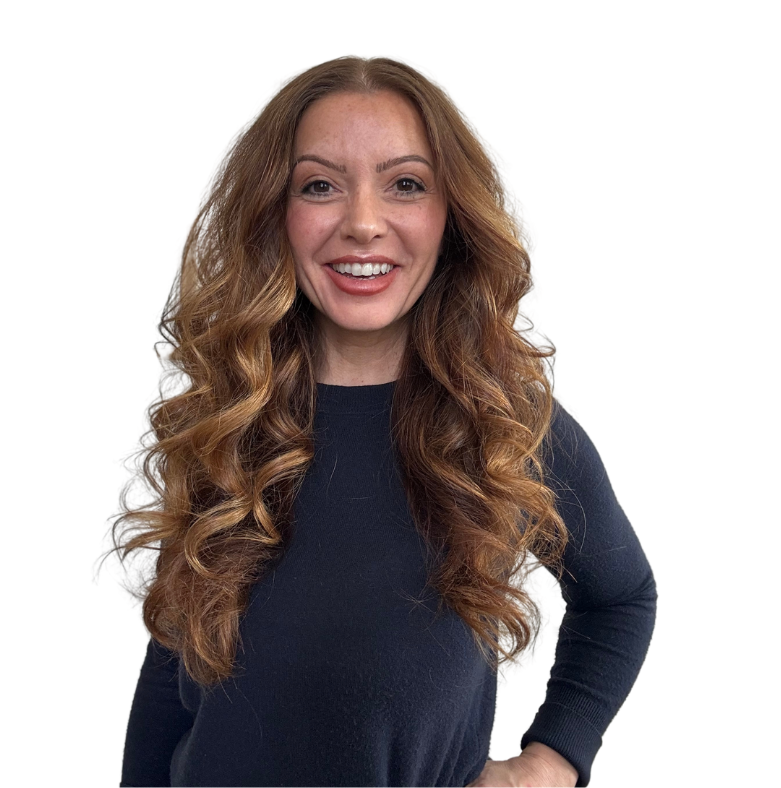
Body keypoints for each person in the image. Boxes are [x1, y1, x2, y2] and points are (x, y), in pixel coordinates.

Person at [112, 56, 656, 787]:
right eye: (320, 186)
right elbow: (177, 665)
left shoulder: (502, 426)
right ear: (277, 213)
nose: (363, 223)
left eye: (405, 184)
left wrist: (554, 758)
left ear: (450, 216)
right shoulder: (229, 418)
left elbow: (621, 597)